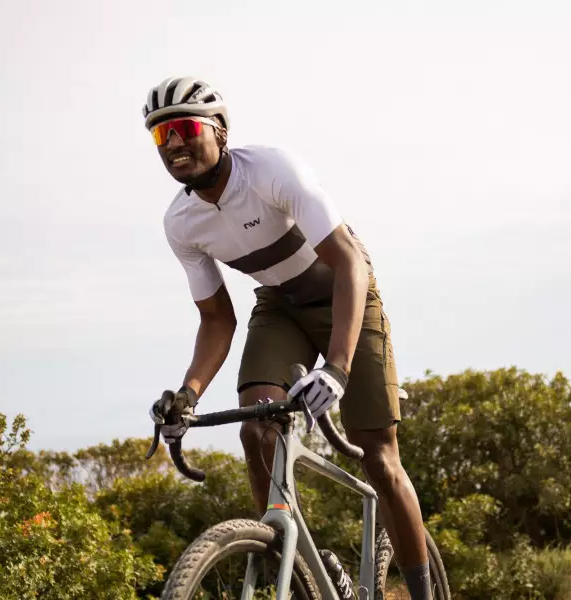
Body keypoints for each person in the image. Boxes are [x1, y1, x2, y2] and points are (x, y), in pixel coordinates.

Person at [144, 76, 432, 599]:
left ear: (220, 130)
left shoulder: (272, 170)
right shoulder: (181, 223)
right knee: (257, 430)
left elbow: (348, 262)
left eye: (186, 127)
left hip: (345, 292)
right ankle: (296, 568)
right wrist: (188, 394)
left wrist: (337, 368)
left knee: (378, 457)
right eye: (162, 135)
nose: (175, 143)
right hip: (280, 306)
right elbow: (216, 320)